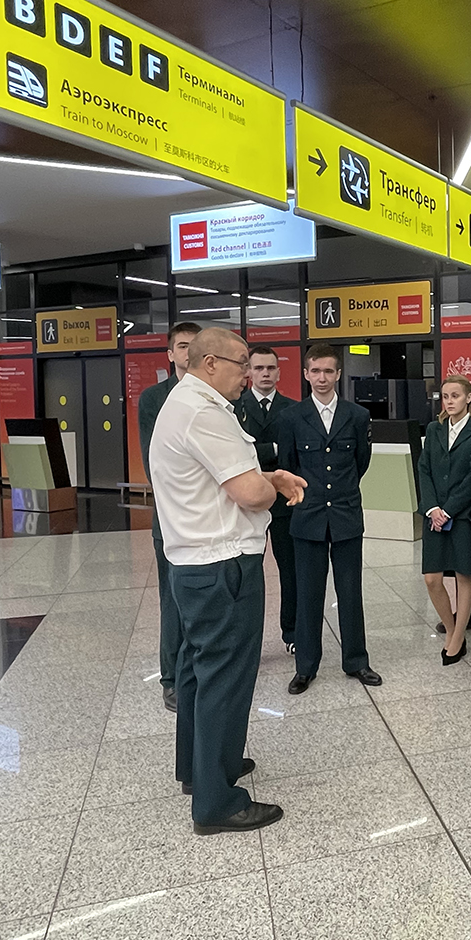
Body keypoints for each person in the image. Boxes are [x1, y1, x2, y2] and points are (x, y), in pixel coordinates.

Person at [148, 326, 306, 833]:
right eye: (242, 364)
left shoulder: (183, 403)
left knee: (199, 671)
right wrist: (270, 484)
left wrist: (267, 478)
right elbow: (250, 494)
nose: (248, 375)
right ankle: (217, 804)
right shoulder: (205, 412)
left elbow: (227, 480)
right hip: (221, 566)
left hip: (195, 563)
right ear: (211, 363)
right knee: (224, 677)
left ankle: (200, 769)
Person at [276, 344, 382, 693]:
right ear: (306, 374)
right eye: (315, 371)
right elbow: (288, 466)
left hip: (346, 513)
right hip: (308, 516)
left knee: (350, 591)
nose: (322, 378)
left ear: (338, 374)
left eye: (328, 371)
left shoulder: (357, 416)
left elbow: (361, 462)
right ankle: (305, 666)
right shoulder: (291, 417)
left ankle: (356, 661)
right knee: (308, 594)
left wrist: (340, 492)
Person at [139, 320, 201, 712]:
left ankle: (196, 670)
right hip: (172, 519)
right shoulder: (154, 399)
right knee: (173, 600)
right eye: (181, 345)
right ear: (170, 353)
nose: (188, 352)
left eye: (195, 345)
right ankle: (171, 679)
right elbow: (155, 464)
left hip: (207, 521)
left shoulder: (212, 394)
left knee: (201, 601)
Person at [419, 376, 471, 664]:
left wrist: (448, 510)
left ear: (469, 398)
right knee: (432, 578)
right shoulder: (434, 429)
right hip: (434, 514)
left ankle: (458, 636)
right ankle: (450, 628)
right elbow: (424, 469)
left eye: (455, 396)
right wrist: (432, 508)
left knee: (464, 574)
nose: (449, 401)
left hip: (462, 514)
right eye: (445, 396)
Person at [234, 347, 299, 654]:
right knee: (248, 575)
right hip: (248, 503)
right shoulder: (234, 408)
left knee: (291, 571)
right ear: (249, 371)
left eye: (270, 368)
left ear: (279, 372)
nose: (265, 374)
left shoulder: (293, 409)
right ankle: (247, 642)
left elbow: (293, 455)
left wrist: (255, 452)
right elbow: (235, 456)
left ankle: (293, 633)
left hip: (284, 504)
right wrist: (272, 448)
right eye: (259, 368)